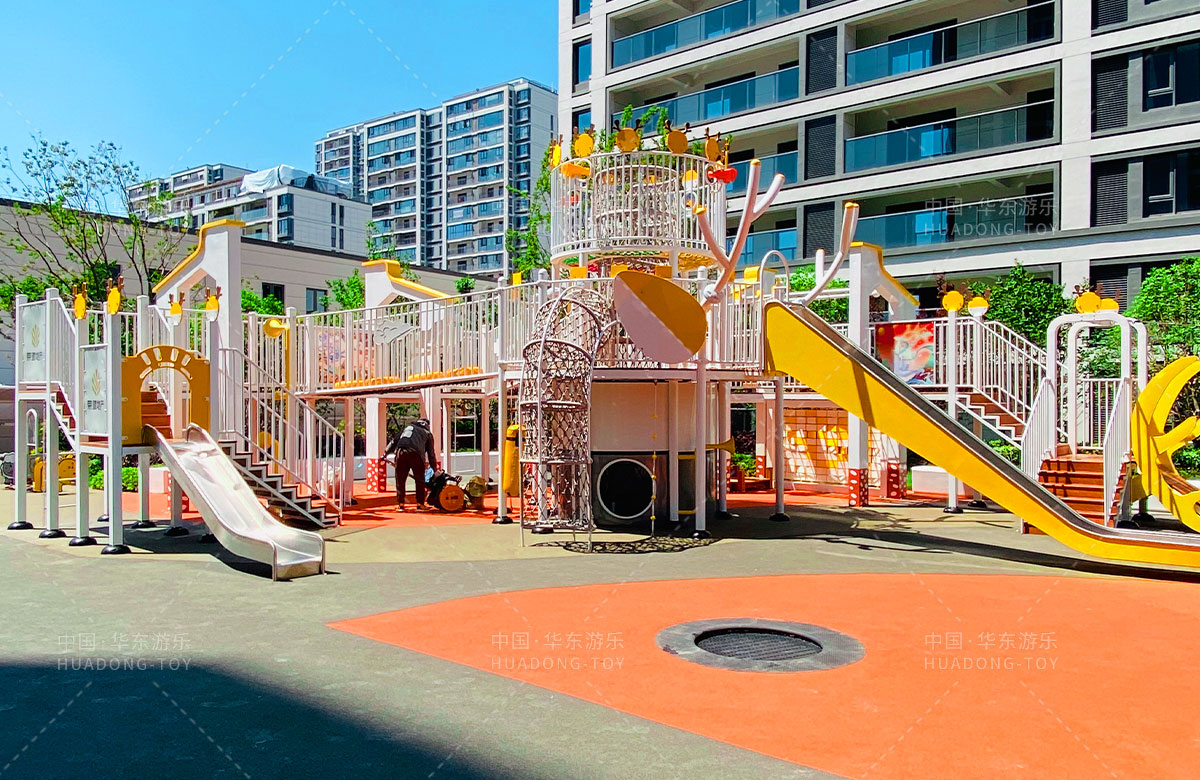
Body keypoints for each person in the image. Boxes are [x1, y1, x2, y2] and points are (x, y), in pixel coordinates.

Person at [387, 418, 439, 510]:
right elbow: (431, 454)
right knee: (420, 480)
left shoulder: (407, 428)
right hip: (416, 454)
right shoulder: (427, 433)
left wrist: (385, 453)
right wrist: (434, 469)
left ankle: (400, 504)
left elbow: (393, 441)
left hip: (400, 452)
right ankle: (420, 504)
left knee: (400, 479)